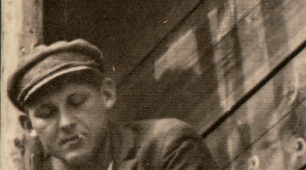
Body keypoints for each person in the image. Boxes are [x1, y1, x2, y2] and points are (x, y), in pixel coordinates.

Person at [11, 39, 218, 170]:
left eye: (77, 102)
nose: (65, 123)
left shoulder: (165, 146)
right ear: (29, 126)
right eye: (47, 113)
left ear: (107, 94)